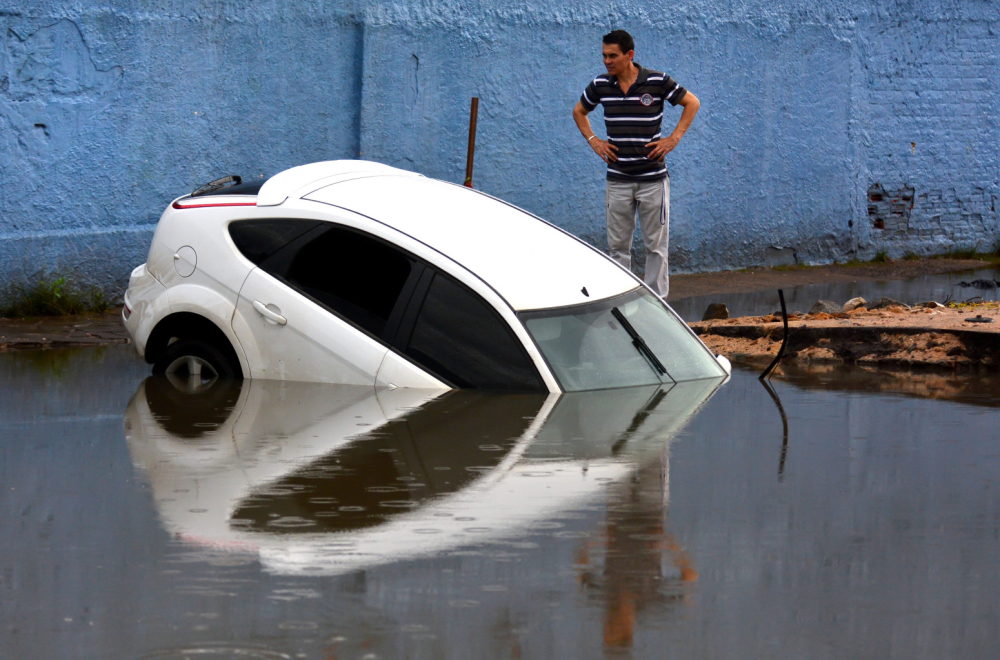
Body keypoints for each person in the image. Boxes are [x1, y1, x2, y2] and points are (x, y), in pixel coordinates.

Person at [572, 30, 700, 298]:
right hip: (617, 180)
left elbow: (692, 103)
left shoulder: (657, 81)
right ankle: (621, 300)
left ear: (629, 55)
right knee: (618, 248)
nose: (607, 61)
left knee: (656, 247)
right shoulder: (600, 85)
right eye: (604, 56)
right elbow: (579, 111)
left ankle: (657, 304)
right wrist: (594, 141)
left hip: (653, 180)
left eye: (613, 56)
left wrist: (673, 139)